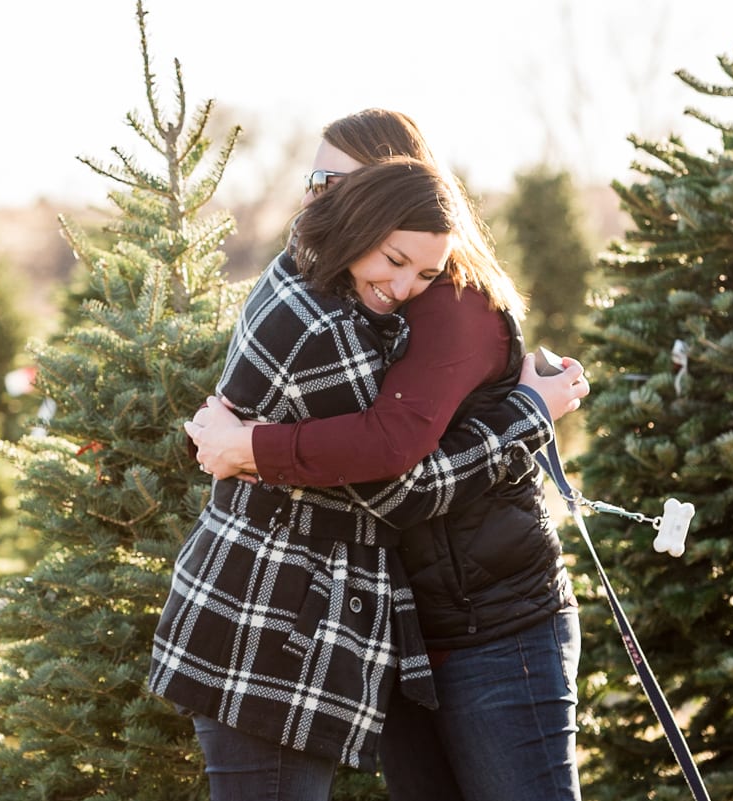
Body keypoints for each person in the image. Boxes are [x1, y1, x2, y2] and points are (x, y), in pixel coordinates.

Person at [150, 155, 586, 801]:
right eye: (395, 259)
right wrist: (526, 415)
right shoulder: (330, 327)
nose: (406, 287)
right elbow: (401, 485)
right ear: (363, 218)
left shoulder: (310, 277)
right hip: (272, 630)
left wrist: (246, 447)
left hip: (450, 617)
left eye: (427, 273)